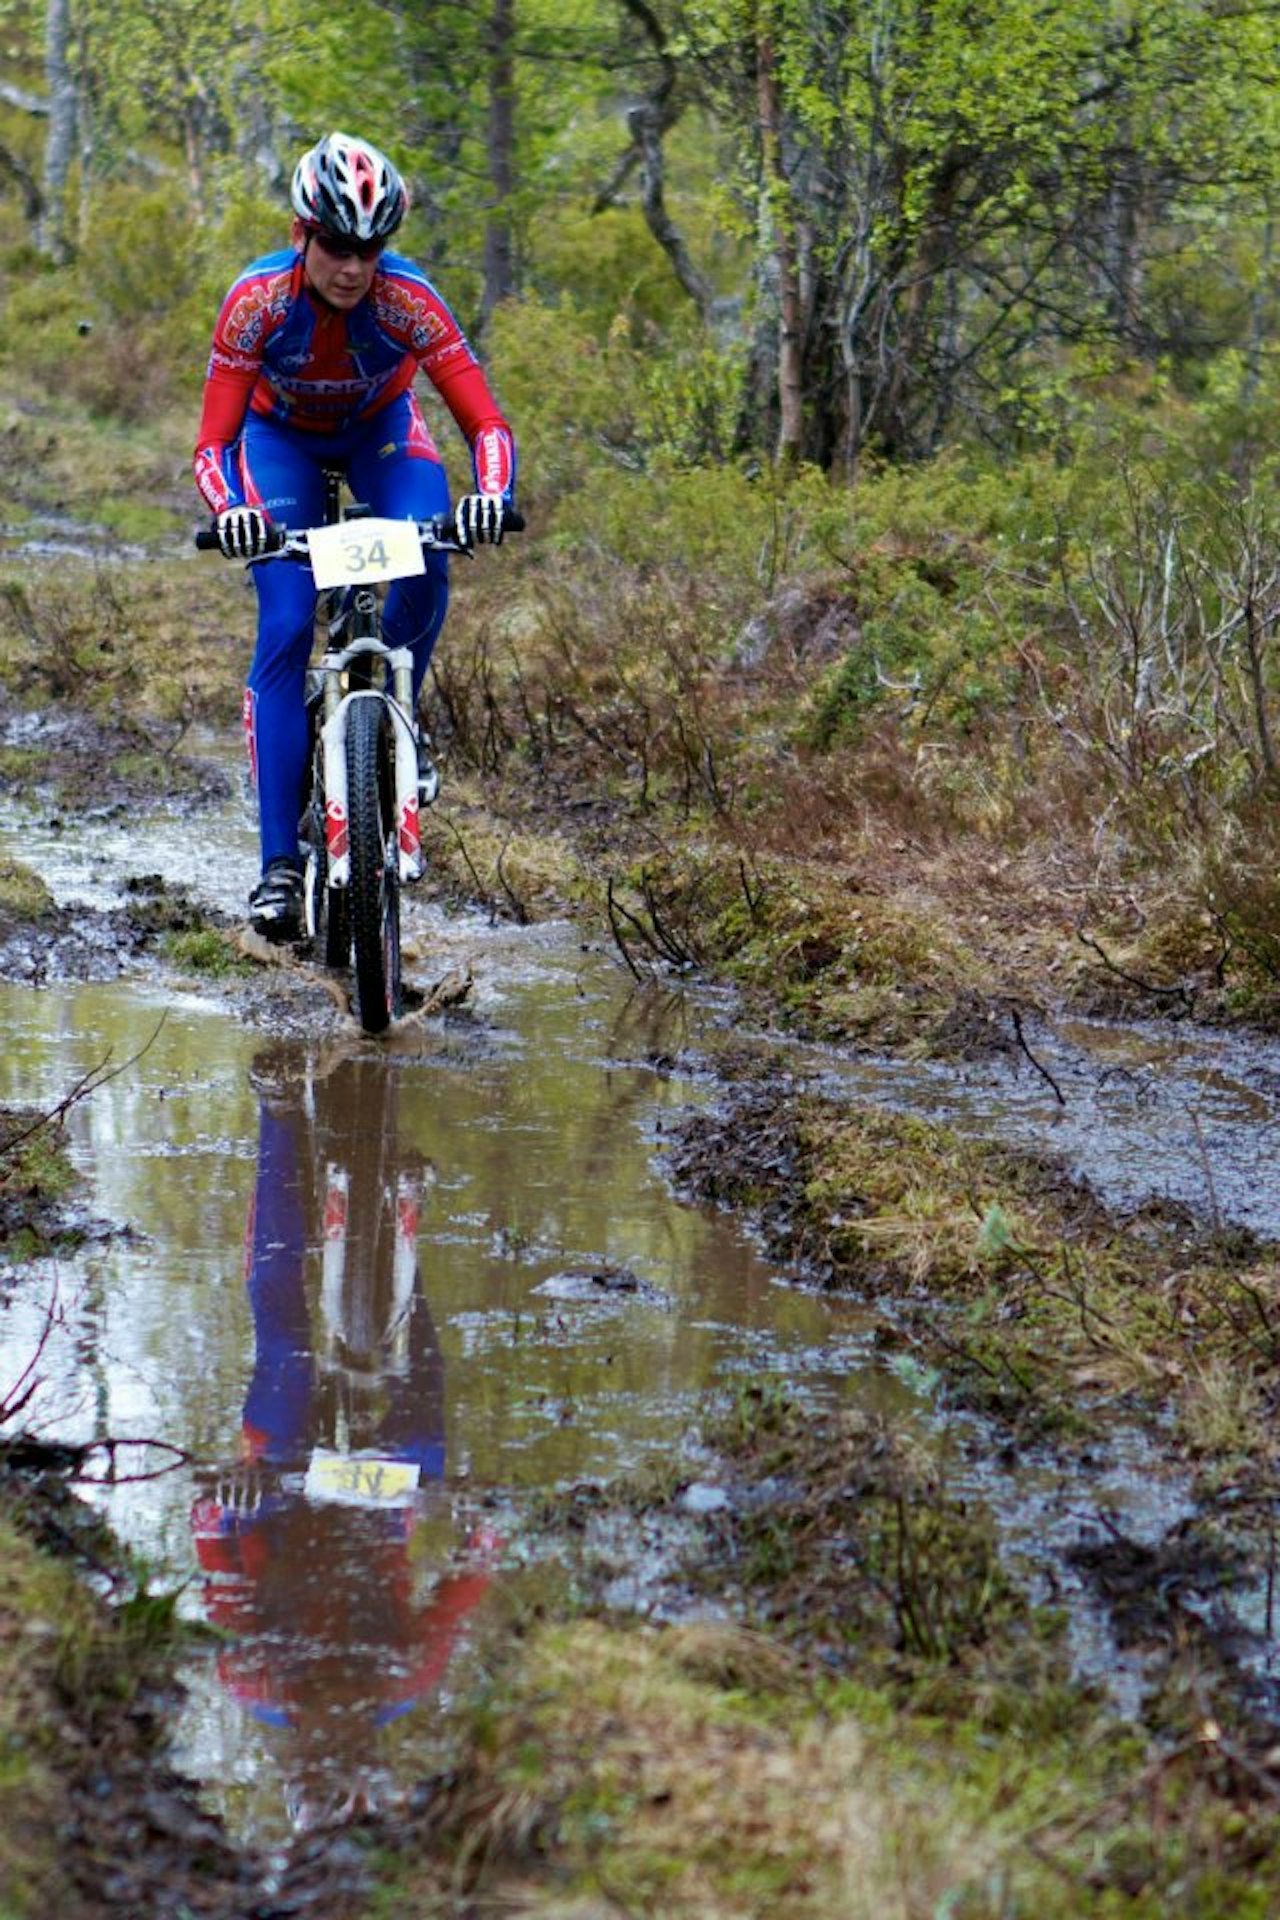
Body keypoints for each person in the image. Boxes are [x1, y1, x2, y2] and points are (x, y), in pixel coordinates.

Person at [194, 130, 517, 942]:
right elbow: (212, 444)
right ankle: (278, 866)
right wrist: (232, 510)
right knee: (287, 621)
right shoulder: (257, 301)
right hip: (279, 444)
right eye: (337, 246)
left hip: (380, 433)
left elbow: (485, 423)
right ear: (302, 234)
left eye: (370, 249)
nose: (353, 267)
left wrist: (491, 494)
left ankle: (400, 715)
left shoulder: (408, 299)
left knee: (428, 556)